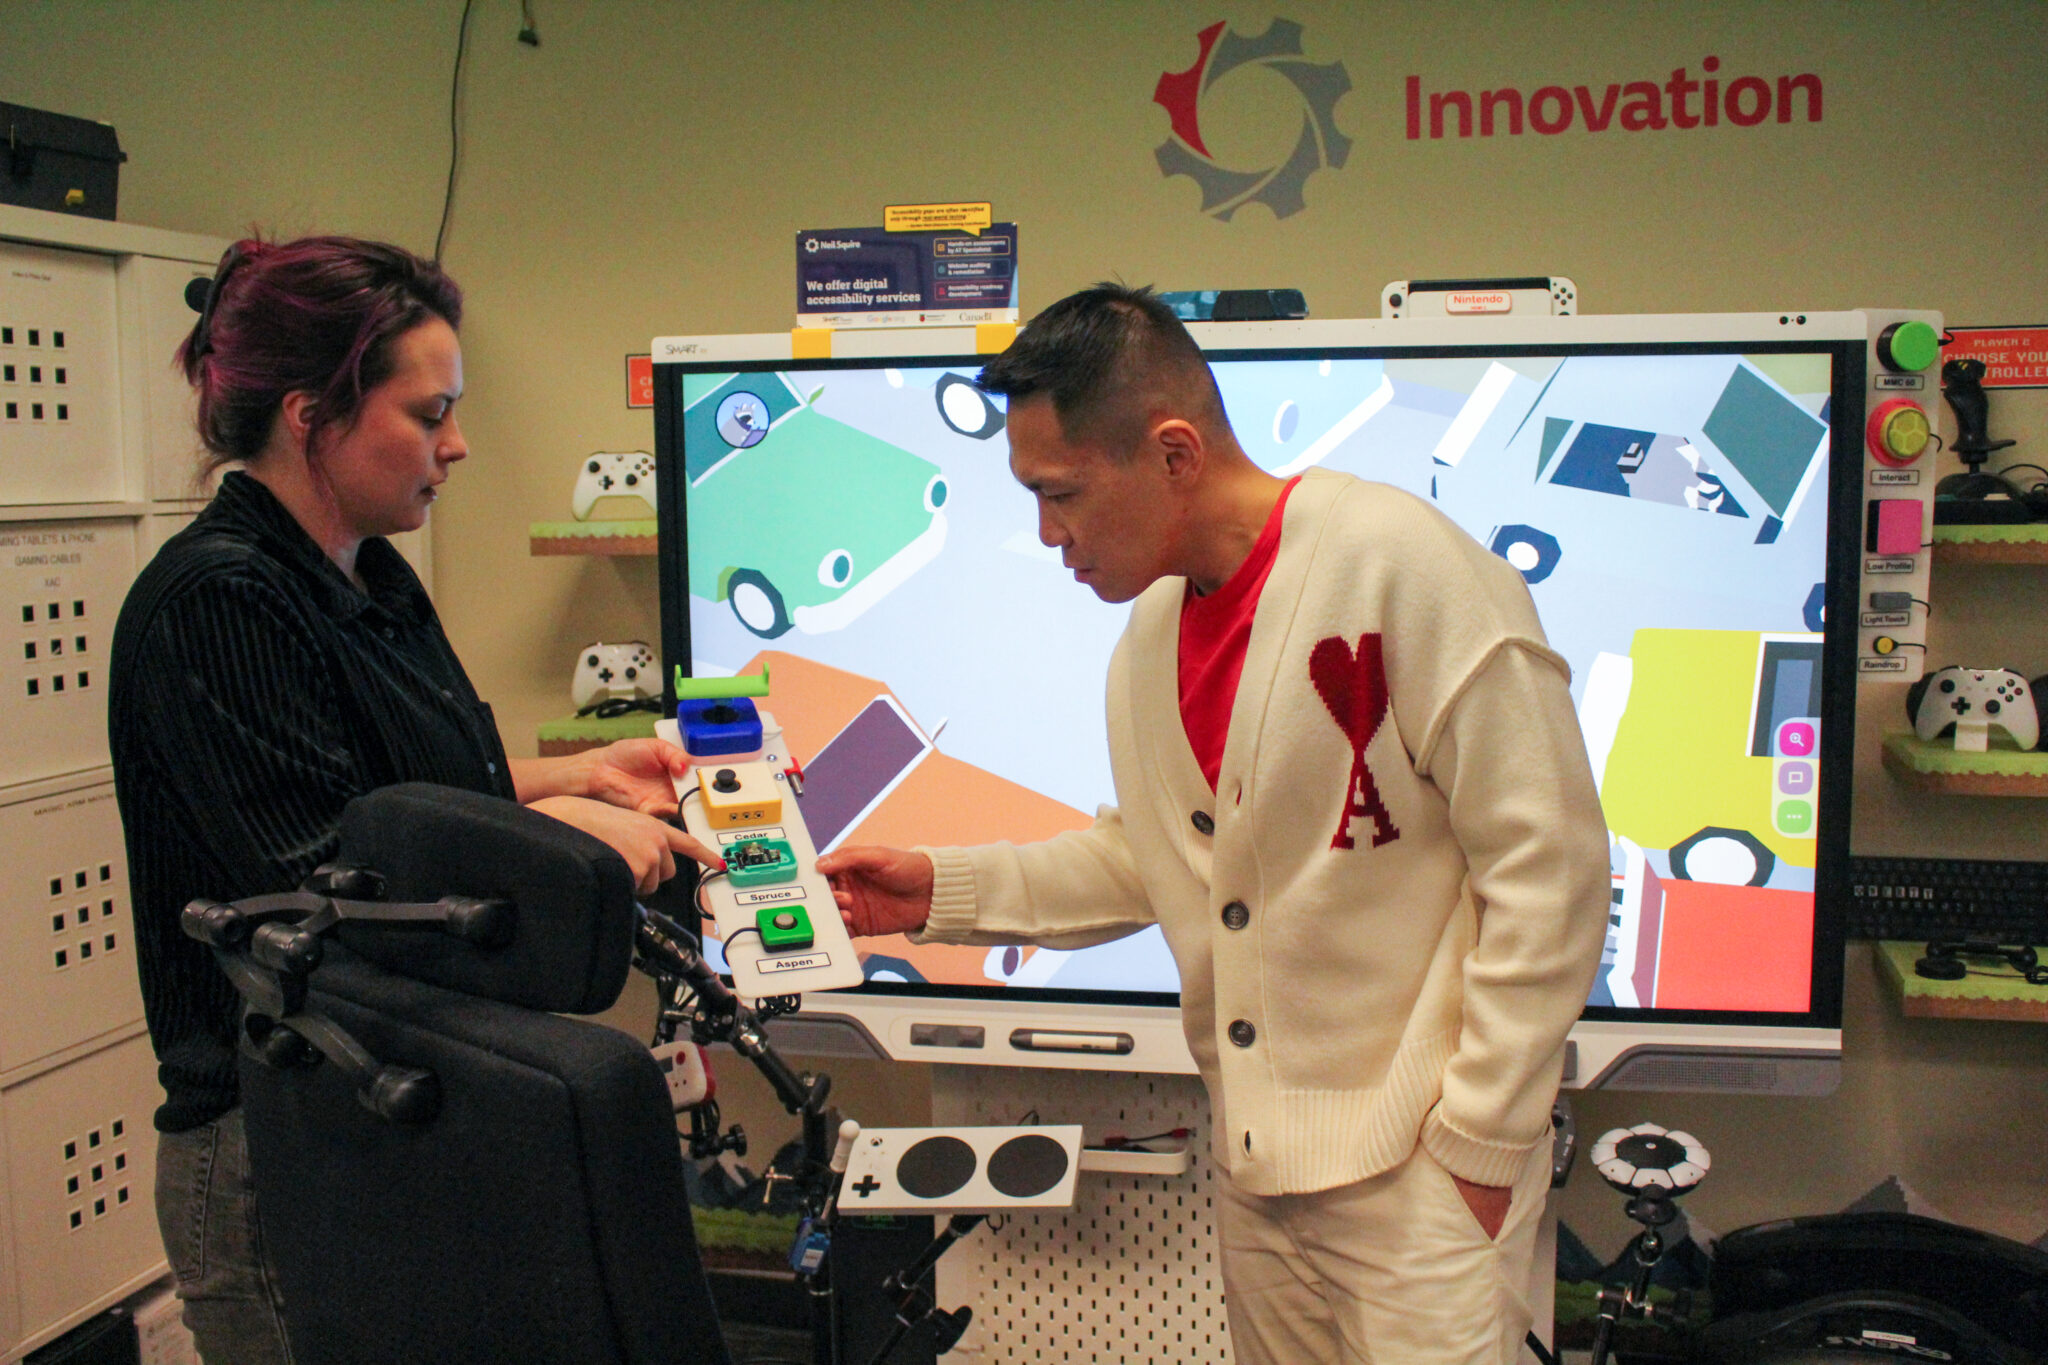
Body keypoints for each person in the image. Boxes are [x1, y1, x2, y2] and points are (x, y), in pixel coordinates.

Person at [818, 284, 1611, 1364]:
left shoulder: (1403, 567)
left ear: (1174, 453)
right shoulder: (1150, 631)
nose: (1047, 534)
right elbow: (1156, 860)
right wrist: (937, 894)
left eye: (1062, 494)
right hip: (1259, 1176)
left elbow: (1550, 867)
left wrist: (1479, 1139)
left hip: (1422, 1174)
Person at [108, 236, 718, 1364]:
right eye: (427, 412)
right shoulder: (214, 601)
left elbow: (420, 795)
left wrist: (578, 776)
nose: (458, 443)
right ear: (310, 416)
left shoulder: (369, 575)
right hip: (275, 1139)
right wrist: (570, 842)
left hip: (394, 1109)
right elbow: (334, 883)